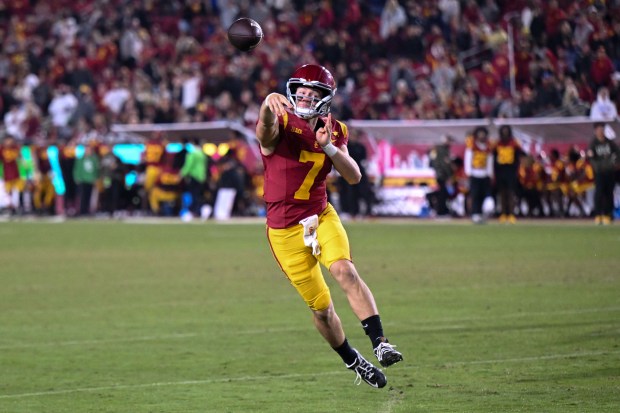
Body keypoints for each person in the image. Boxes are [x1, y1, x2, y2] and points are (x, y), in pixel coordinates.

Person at [255, 64, 403, 389]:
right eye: (300, 91)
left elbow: (353, 176)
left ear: (325, 98)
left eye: (312, 93)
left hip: (320, 215)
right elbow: (264, 134)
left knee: (345, 272)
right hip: (284, 232)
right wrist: (267, 105)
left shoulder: (334, 129)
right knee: (322, 311)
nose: (304, 97)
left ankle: (380, 342)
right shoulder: (279, 120)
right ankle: (353, 359)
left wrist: (329, 147)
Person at [587, 122, 619, 224]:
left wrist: (615, 164)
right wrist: (598, 167)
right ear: (595, 131)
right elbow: (591, 158)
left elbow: (617, 154)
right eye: (599, 129)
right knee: (599, 193)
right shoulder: (593, 144)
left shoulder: (610, 143)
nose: (601, 131)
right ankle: (598, 214)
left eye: (602, 129)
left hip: (610, 172)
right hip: (599, 173)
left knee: (609, 193)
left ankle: (607, 214)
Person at [493, 125, 524, 223]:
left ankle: (511, 214)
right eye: (503, 131)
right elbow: (493, 158)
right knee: (502, 193)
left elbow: (519, 157)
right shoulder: (497, 144)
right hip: (500, 170)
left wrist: (517, 170)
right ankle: (503, 213)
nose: (505, 133)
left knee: (511, 193)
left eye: (507, 131)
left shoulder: (514, 144)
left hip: (511, 171)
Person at [464, 126, 494, 224]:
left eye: (483, 134)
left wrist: (490, 173)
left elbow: (490, 160)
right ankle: (475, 214)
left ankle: (483, 214)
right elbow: (468, 158)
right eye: (480, 134)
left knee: (484, 195)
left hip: (484, 173)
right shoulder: (472, 145)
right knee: (475, 195)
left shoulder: (488, 146)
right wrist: (468, 171)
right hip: (475, 173)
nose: (481, 136)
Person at [429, 134, 454, 218]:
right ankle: (441, 212)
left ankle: (441, 211)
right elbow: (445, 165)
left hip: (438, 174)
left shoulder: (437, 149)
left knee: (442, 193)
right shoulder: (443, 150)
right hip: (442, 175)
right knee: (443, 194)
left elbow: (433, 162)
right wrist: (449, 175)